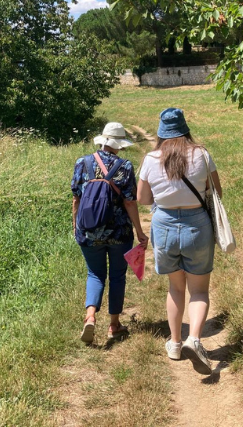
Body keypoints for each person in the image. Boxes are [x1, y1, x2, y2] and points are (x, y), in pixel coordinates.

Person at [137, 108, 222, 375]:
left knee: (175, 287)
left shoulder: (151, 159)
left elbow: (143, 199)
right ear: (185, 129)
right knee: (198, 290)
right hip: (197, 225)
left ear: (161, 133)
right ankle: (194, 340)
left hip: (164, 226)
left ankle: (174, 343)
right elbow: (216, 191)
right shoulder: (202, 154)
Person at [72, 122, 148, 344]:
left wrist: (76, 226)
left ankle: (90, 316)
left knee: (94, 274)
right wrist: (140, 232)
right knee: (117, 276)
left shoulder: (82, 163)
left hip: (88, 232)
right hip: (119, 233)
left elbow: (76, 198)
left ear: (102, 141)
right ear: (119, 145)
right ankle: (114, 325)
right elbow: (130, 203)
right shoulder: (124, 166)